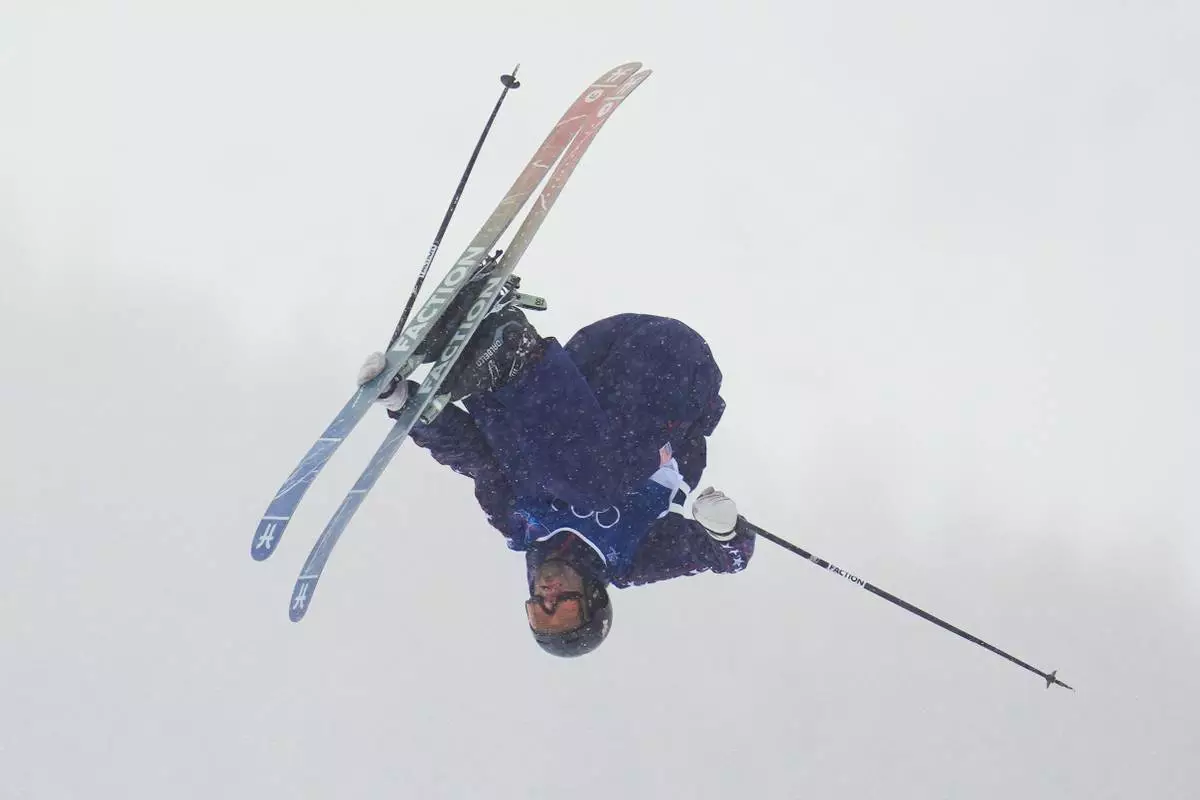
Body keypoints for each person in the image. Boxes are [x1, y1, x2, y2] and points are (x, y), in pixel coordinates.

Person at [357, 293, 755, 658]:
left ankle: (475, 341)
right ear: (593, 598)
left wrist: (408, 408)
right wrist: (725, 531)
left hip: (590, 371)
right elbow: (729, 559)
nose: (547, 597)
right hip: (673, 376)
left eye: (539, 612)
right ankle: (515, 355)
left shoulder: (518, 525)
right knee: (592, 487)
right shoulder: (632, 558)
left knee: (511, 462)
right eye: (563, 609)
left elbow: (472, 456)